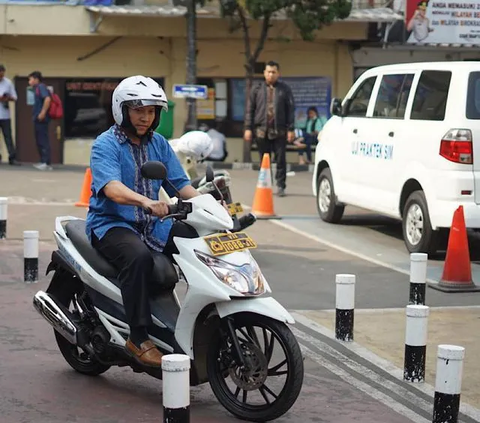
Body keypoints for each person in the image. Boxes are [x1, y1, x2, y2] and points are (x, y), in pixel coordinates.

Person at [86, 75, 201, 367]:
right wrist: (145, 201)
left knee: (195, 238)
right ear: (122, 110)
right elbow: (111, 187)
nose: (145, 118)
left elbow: (180, 184)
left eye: (151, 112)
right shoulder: (106, 144)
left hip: (152, 225)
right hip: (111, 223)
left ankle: (194, 318)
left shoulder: (159, 144)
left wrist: (212, 206)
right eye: (138, 110)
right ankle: (138, 337)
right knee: (137, 257)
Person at [244, 61, 295, 197]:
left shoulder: (285, 89)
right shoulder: (257, 89)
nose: (271, 74)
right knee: (264, 160)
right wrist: (248, 128)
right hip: (261, 130)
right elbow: (250, 110)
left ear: (278, 73)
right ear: (264, 73)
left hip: (280, 130)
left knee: (280, 159)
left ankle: (281, 186)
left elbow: (290, 110)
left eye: (274, 72)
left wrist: (291, 129)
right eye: (268, 72)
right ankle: (266, 184)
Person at [28, 71, 52, 171]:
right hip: (38, 118)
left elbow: (47, 99)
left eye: (30, 79)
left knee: (43, 139)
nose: (29, 81)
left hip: (41, 119)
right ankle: (43, 161)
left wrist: (42, 113)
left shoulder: (41, 87)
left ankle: (45, 162)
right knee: (39, 139)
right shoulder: (37, 88)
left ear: (36, 79)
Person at [0, 65, 19, 166]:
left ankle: (12, 158)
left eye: (2, 75)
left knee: (8, 137)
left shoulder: (8, 82)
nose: (1, 77)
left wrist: (8, 98)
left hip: (5, 114)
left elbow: (15, 97)